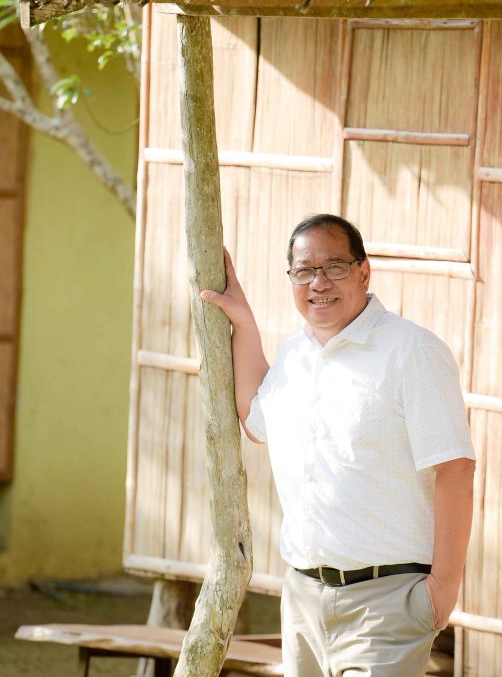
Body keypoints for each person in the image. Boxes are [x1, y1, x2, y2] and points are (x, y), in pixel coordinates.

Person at [201, 213, 475, 677]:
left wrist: (443, 589)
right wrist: (244, 324)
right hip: (303, 600)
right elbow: (254, 417)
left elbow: (456, 468)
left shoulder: (412, 350)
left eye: (334, 266)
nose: (319, 282)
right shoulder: (295, 354)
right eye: (304, 271)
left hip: (387, 601)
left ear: (363, 272)